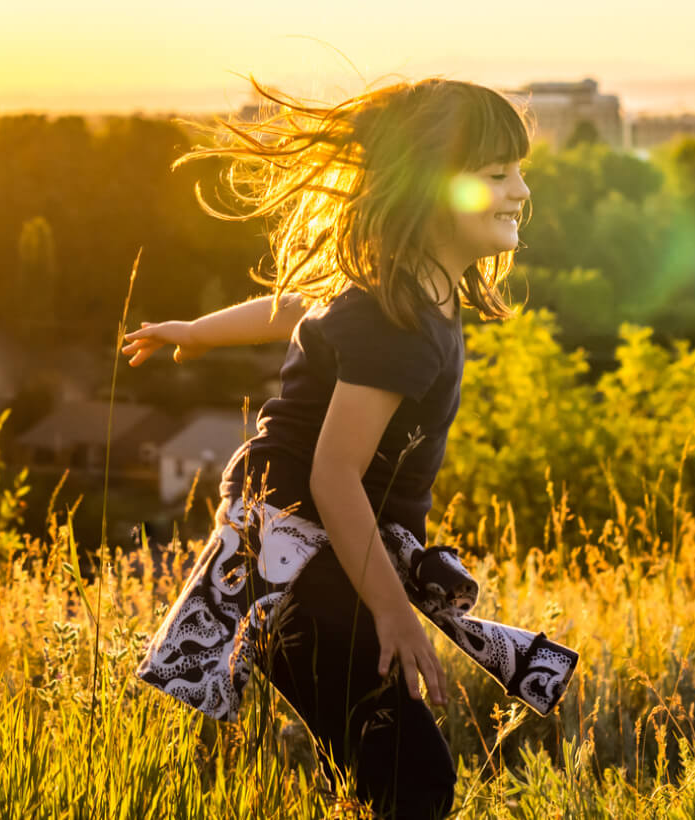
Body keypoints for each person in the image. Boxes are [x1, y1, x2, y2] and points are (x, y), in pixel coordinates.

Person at [124, 77, 532, 819]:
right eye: (498, 174)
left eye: (519, 171)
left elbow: (299, 309)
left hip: (316, 554)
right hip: (304, 561)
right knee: (414, 784)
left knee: (374, 775)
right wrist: (392, 612)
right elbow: (335, 474)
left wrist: (196, 329)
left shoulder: (400, 288)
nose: (521, 190)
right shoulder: (400, 322)